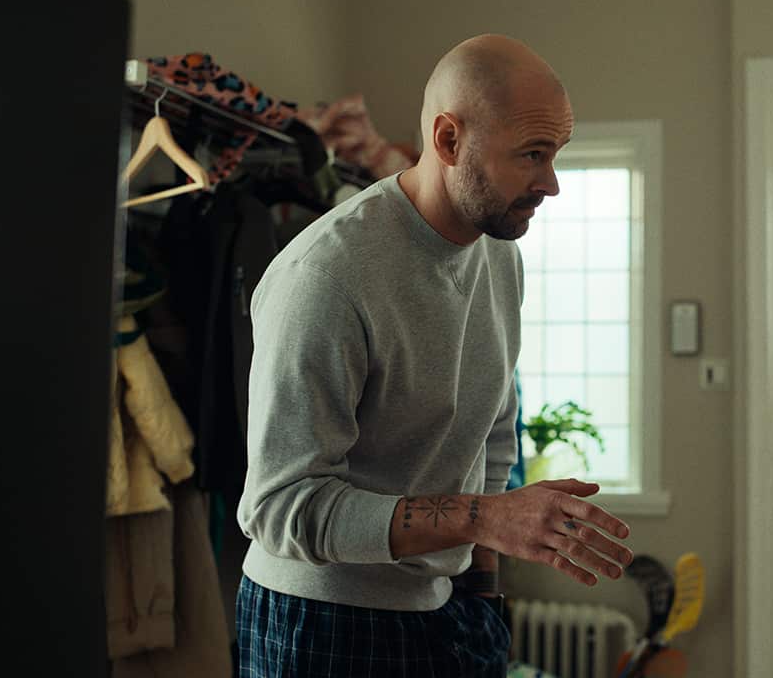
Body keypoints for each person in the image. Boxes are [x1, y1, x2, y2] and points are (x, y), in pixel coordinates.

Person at [233, 34, 634, 677]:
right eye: (532, 154)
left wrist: (483, 592)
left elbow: (491, 434)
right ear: (448, 141)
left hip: (449, 609)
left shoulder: (500, 252)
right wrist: (486, 519)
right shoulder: (326, 276)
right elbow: (281, 508)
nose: (551, 183)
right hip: (319, 621)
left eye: (555, 153)